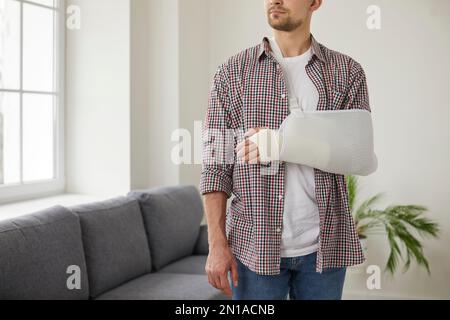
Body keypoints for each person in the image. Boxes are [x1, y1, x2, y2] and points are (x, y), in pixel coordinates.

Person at [200, 0, 373, 300]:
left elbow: (358, 154)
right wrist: (216, 244)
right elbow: (215, 166)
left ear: (314, 3)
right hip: (252, 249)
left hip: (323, 249)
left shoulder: (347, 72)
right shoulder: (231, 73)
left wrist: (281, 145)